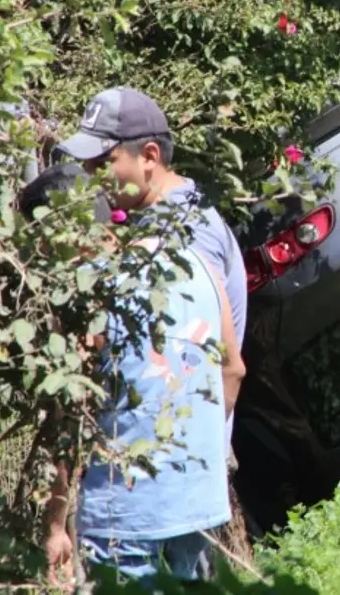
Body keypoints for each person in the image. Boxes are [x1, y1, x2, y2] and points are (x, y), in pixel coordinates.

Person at [20, 162, 247, 587]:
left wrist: (55, 525)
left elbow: (70, 421)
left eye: (42, 246)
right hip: (199, 494)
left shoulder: (86, 303)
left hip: (124, 511)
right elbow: (233, 369)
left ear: (60, 235)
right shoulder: (196, 261)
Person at [53, 87, 248, 464]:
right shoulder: (167, 214)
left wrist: (192, 457)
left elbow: (218, 367)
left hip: (176, 469)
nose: (92, 178)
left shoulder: (188, 234)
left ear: (149, 157)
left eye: (103, 162)